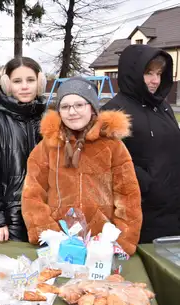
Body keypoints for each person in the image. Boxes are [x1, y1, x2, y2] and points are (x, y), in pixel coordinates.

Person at [22, 77, 142, 255]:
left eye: (79, 105)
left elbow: (128, 197)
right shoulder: (47, 148)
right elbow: (32, 195)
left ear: (92, 107)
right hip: (59, 245)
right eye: (65, 106)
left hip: (101, 245)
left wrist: (121, 241)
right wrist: (49, 234)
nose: (72, 112)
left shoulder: (113, 147)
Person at [101, 45, 180, 243]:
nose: (155, 80)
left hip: (173, 207)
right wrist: (146, 183)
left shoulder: (162, 106)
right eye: (148, 73)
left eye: (159, 74)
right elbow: (105, 162)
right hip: (143, 213)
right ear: (133, 73)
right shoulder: (114, 112)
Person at [0, 57, 47, 243]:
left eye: (30, 80)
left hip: (46, 218)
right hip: (9, 221)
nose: (24, 86)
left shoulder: (49, 120)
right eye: (17, 81)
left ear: (39, 82)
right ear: (7, 84)